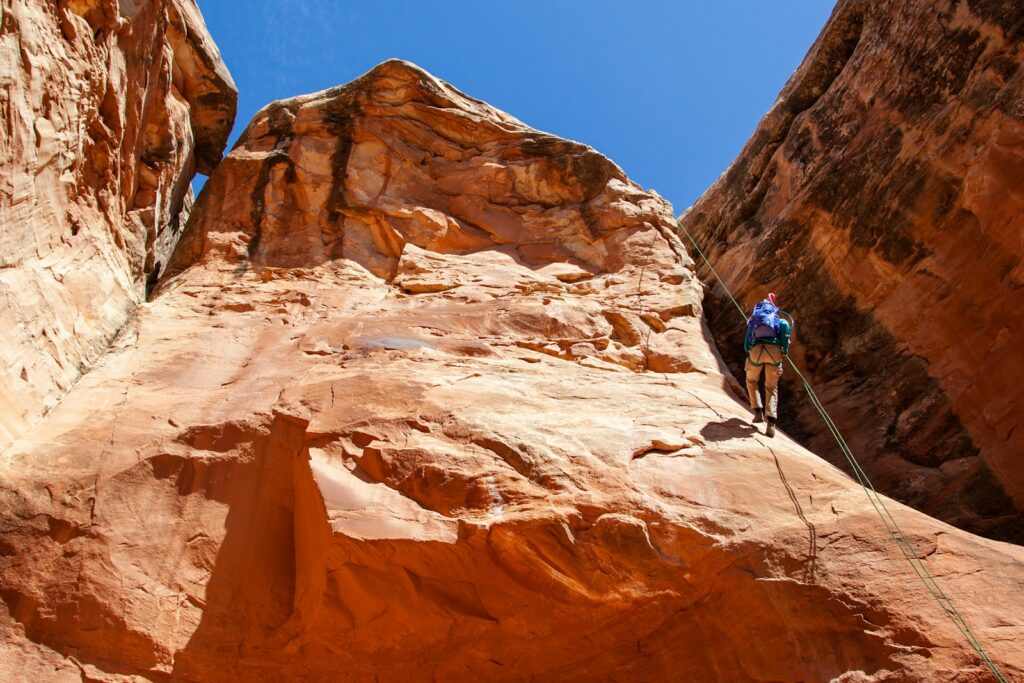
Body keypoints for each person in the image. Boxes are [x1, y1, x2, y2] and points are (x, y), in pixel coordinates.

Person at [744, 292, 791, 437]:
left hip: (757, 352)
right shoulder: (782, 322)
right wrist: (783, 353)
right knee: (771, 387)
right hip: (774, 353)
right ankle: (771, 421)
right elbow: (785, 343)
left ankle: (758, 410)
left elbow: (747, 344)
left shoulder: (754, 320)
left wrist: (751, 351)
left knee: (751, 380)